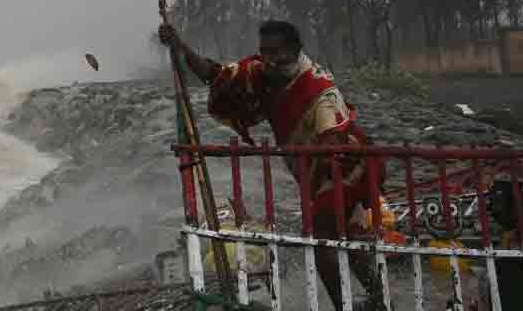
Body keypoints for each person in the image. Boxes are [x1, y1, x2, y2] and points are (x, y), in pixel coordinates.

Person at [159, 19, 386, 311]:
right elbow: (214, 75)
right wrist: (178, 45)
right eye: (264, 52)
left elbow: (334, 138)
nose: (269, 60)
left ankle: (348, 307)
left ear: (294, 51)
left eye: (276, 53)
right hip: (315, 171)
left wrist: (323, 151)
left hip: (347, 166)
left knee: (322, 239)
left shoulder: (319, 91)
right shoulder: (260, 73)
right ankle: (380, 303)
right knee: (348, 235)